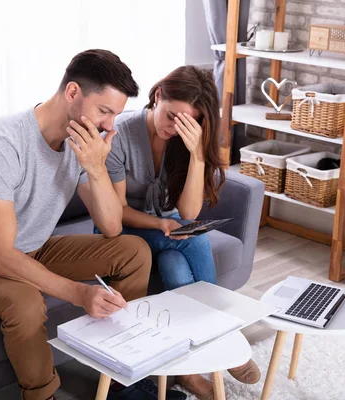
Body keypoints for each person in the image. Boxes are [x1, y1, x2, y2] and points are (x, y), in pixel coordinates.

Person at [0, 50, 184, 400]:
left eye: (116, 114)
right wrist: (80, 293)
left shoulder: (81, 142)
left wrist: (97, 167)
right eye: (104, 111)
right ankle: (42, 395)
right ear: (72, 93)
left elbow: (111, 227)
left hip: (36, 247)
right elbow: (1, 257)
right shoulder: (3, 145)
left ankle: (121, 375)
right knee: (24, 301)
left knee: (133, 251)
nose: (111, 125)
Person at [89, 65, 261, 399]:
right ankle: (222, 334)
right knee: (192, 239)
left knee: (174, 267)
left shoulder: (185, 142)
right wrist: (159, 223)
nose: (173, 127)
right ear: (157, 97)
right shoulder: (120, 135)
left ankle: (189, 372)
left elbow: (189, 212)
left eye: (186, 122)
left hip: (169, 236)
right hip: (121, 233)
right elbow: (117, 211)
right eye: (171, 116)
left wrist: (196, 154)